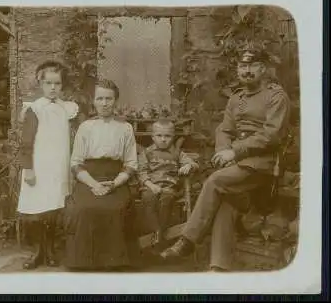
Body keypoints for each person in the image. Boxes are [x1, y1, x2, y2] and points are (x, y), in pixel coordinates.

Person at [159, 43, 291, 272]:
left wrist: (235, 151)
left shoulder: (275, 96)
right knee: (225, 204)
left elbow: (272, 135)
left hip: (263, 165)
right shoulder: (236, 98)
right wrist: (224, 151)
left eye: (253, 65)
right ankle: (219, 266)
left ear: (263, 69)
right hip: (237, 165)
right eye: (242, 66)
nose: (246, 71)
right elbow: (224, 129)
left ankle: (188, 241)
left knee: (215, 181)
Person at [64, 79, 141, 270]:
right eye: (100, 98)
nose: (104, 103)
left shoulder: (125, 128)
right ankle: (83, 262)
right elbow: (75, 164)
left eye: (109, 98)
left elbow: (131, 164)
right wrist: (94, 185)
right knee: (84, 208)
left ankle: (114, 262)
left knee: (115, 209)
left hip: (116, 179)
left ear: (115, 101)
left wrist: (114, 183)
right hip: (88, 178)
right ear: (94, 101)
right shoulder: (86, 127)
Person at [17, 60, 79, 270]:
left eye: (57, 84)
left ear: (63, 86)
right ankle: (38, 251)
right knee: (36, 213)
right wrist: (28, 168)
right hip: (38, 167)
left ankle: (51, 250)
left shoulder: (67, 109)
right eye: (48, 83)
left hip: (58, 167)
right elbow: (26, 142)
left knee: (53, 211)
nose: (53, 88)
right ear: (40, 84)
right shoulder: (35, 109)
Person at [138, 119, 199, 247]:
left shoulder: (177, 153)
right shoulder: (147, 153)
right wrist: (151, 185)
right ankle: (156, 230)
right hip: (150, 186)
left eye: (167, 136)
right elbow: (141, 172)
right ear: (153, 137)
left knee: (166, 201)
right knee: (148, 200)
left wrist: (189, 165)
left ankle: (160, 232)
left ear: (173, 137)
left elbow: (194, 164)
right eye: (159, 136)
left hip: (169, 188)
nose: (163, 139)